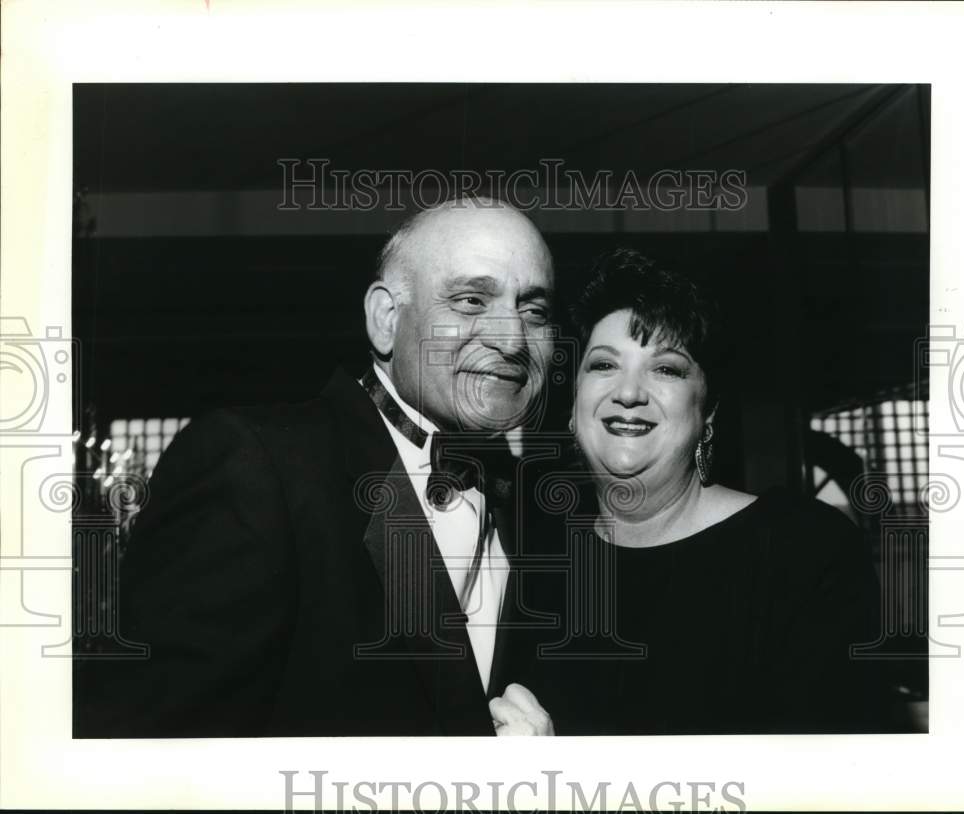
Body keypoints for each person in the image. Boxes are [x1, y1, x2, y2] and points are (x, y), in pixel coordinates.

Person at [75, 198, 555, 737]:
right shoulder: (253, 463)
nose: (513, 339)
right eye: (471, 301)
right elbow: (155, 750)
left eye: (534, 310)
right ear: (386, 319)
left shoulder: (536, 505)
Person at [513, 248, 884, 735]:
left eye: (666, 369)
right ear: (573, 404)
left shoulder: (805, 551)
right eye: (603, 365)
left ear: (706, 413)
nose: (628, 392)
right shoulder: (533, 554)